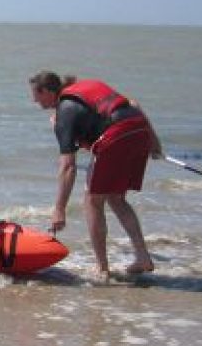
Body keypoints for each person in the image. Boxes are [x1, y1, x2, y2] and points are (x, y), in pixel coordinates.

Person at [29, 71, 162, 283]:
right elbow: (133, 105)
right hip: (139, 129)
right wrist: (154, 143)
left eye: (36, 96)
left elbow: (68, 166)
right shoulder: (85, 88)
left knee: (92, 201)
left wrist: (59, 209)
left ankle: (102, 267)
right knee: (116, 198)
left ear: (46, 91)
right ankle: (143, 257)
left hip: (116, 135)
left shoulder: (65, 112)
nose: (34, 101)